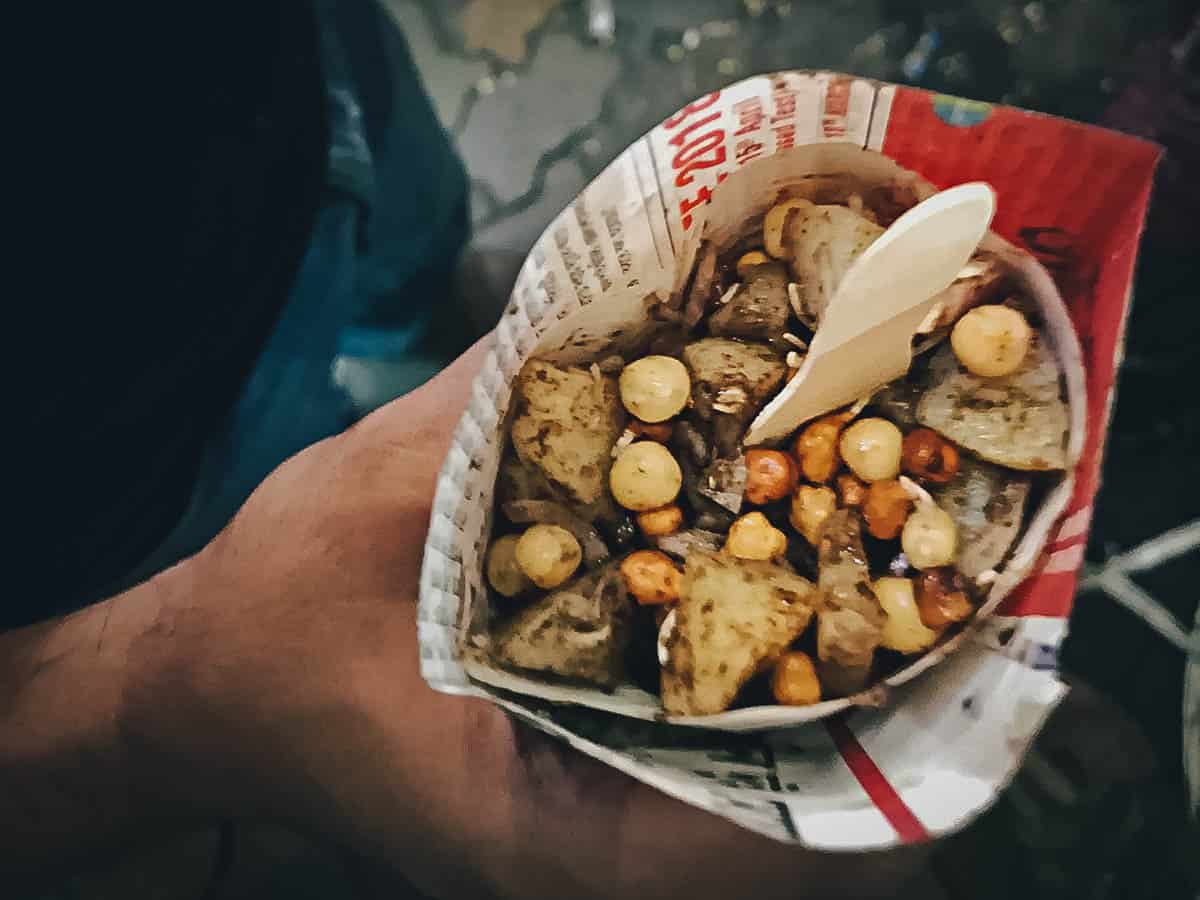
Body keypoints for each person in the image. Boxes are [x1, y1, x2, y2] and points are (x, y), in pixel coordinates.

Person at [5, 1, 924, 896]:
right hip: (96, 516)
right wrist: (141, 699)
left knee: (412, 237)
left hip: (279, 75)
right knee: (292, 452)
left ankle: (417, 317)